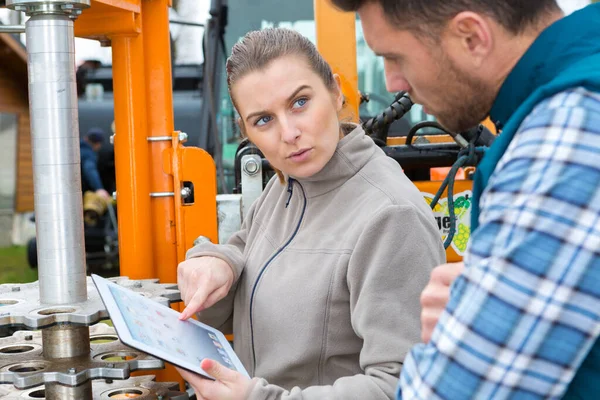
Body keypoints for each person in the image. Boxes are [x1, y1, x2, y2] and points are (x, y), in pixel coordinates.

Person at [330, 0, 600, 398]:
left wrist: (460, 330)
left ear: (471, 37)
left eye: (395, 57)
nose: (392, 82)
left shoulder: (568, 133)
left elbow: (453, 390)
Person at [176, 28, 445, 400]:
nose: (289, 133)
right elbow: (248, 248)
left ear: (335, 92)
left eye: (300, 102)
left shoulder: (390, 217)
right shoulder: (288, 185)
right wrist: (217, 262)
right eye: (264, 120)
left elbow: (401, 387)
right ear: (246, 131)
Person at [80, 128, 111, 200]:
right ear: (98, 144)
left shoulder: (77, 148)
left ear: (86, 138)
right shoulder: (88, 154)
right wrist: (99, 188)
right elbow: (89, 169)